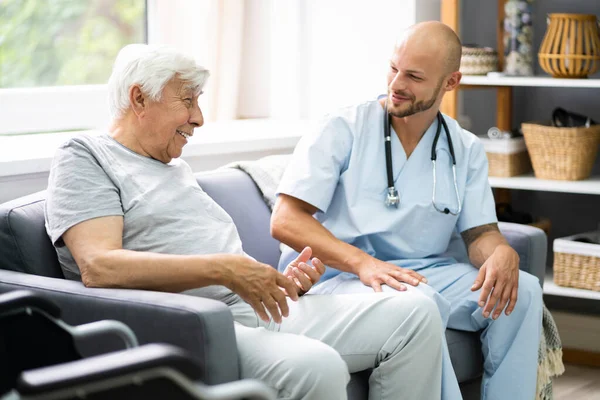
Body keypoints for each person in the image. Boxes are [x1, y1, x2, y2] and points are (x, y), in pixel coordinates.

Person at [44, 43, 446, 400]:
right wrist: (226, 270)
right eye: (188, 101)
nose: (198, 118)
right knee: (317, 366)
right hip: (190, 322)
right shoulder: (85, 156)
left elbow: (215, 261)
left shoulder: (171, 166)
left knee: (415, 313)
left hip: (249, 308)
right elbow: (99, 267)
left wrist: (280, 284)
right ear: (139, 99)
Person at [271, 21, 543, 400]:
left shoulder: (464, 147)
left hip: (424, 271)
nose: (396, 84)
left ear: (450, 82)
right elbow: (285, 220)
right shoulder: (342, 127)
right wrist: (364, 263)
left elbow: (480, 234)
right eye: (393, 68)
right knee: (421, 302)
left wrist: (501, 253)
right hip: (342, 275)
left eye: (414, 76)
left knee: (523, 292)